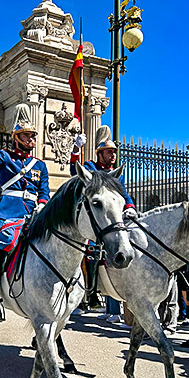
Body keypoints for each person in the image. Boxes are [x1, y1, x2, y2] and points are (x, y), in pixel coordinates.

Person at [0, 104, 50, 323]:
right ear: (16, 138)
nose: (31, 140)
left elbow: (44, 190)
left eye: (33, 137)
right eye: (26, 136)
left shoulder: (40, 165)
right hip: (7, 213)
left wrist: (43, 204)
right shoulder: (5, 157)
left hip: (33, 214)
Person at [70, 125, 137, 311]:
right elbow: (73, 171)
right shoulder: (91, 167)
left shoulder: (116, 173)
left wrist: (130, 207)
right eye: (109, 152)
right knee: (92, 251)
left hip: (112, 218)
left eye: (114, 152)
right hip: (93, 218)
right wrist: (76, 149)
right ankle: (91, 293)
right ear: (100, 154)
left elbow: (124, 194)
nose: (113, 156)